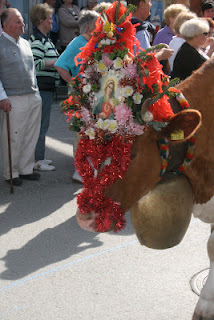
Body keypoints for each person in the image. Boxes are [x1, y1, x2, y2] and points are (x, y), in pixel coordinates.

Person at [55, 9, 99, 182]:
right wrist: (73, 83)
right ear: (88, 27)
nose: (101, 28)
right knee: (81, 133)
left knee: (90, 132)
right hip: (81, 95)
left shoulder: (91, 42)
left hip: (92, 95)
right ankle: (80, 171)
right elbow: (60, 65)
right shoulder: (77, 42)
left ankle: (87, 168)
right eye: (97, 25)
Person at [0, 8, 42, 186]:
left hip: (32, 96)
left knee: (30, 135)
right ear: (5, 25)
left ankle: (26, 169)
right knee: (13, 137)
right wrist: (2, 97)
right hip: (13, 97)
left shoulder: (25, 43)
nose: (22, 24)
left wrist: (37, 93)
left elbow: (32, 71)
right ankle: (11, 172)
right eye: (17, 22)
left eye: (22, 21)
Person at [29, 3, 60, 171]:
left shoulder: (44, 39)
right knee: (40, 125)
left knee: (42, 124)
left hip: (46, 89)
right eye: (49, 18)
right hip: (42, 89)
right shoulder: (37, 40)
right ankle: (36, 160)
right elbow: (35, 64)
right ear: (41, 21)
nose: (52, 21)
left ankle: (39, 157)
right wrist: (57, 62)